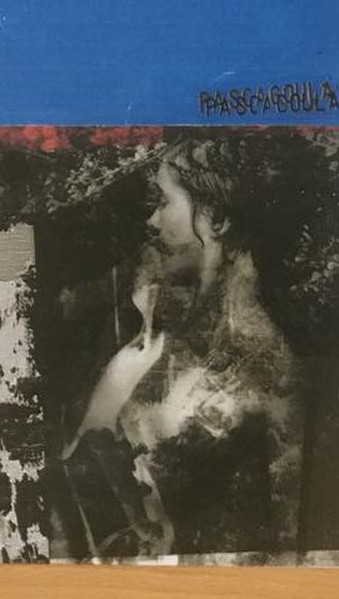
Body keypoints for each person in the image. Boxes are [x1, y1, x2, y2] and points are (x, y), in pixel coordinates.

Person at [61, 138, 303, 561]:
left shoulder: (244, 354)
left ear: (216, 219)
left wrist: (105, 405)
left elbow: (152, 534)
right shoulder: (193, 324)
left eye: (164, 202)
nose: (153, 220)